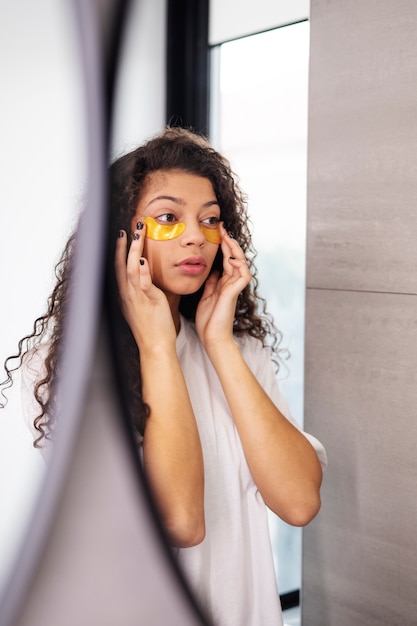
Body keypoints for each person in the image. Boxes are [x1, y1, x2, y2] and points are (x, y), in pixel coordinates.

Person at [1, 127, 327, 626]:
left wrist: (217, 343)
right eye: (168, 218)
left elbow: (300, 501)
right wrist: (157, 344)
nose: (196, 235)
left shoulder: (236, 349)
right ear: (121, 237)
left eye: (210, 219)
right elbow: (180, 521)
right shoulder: (64, 366)